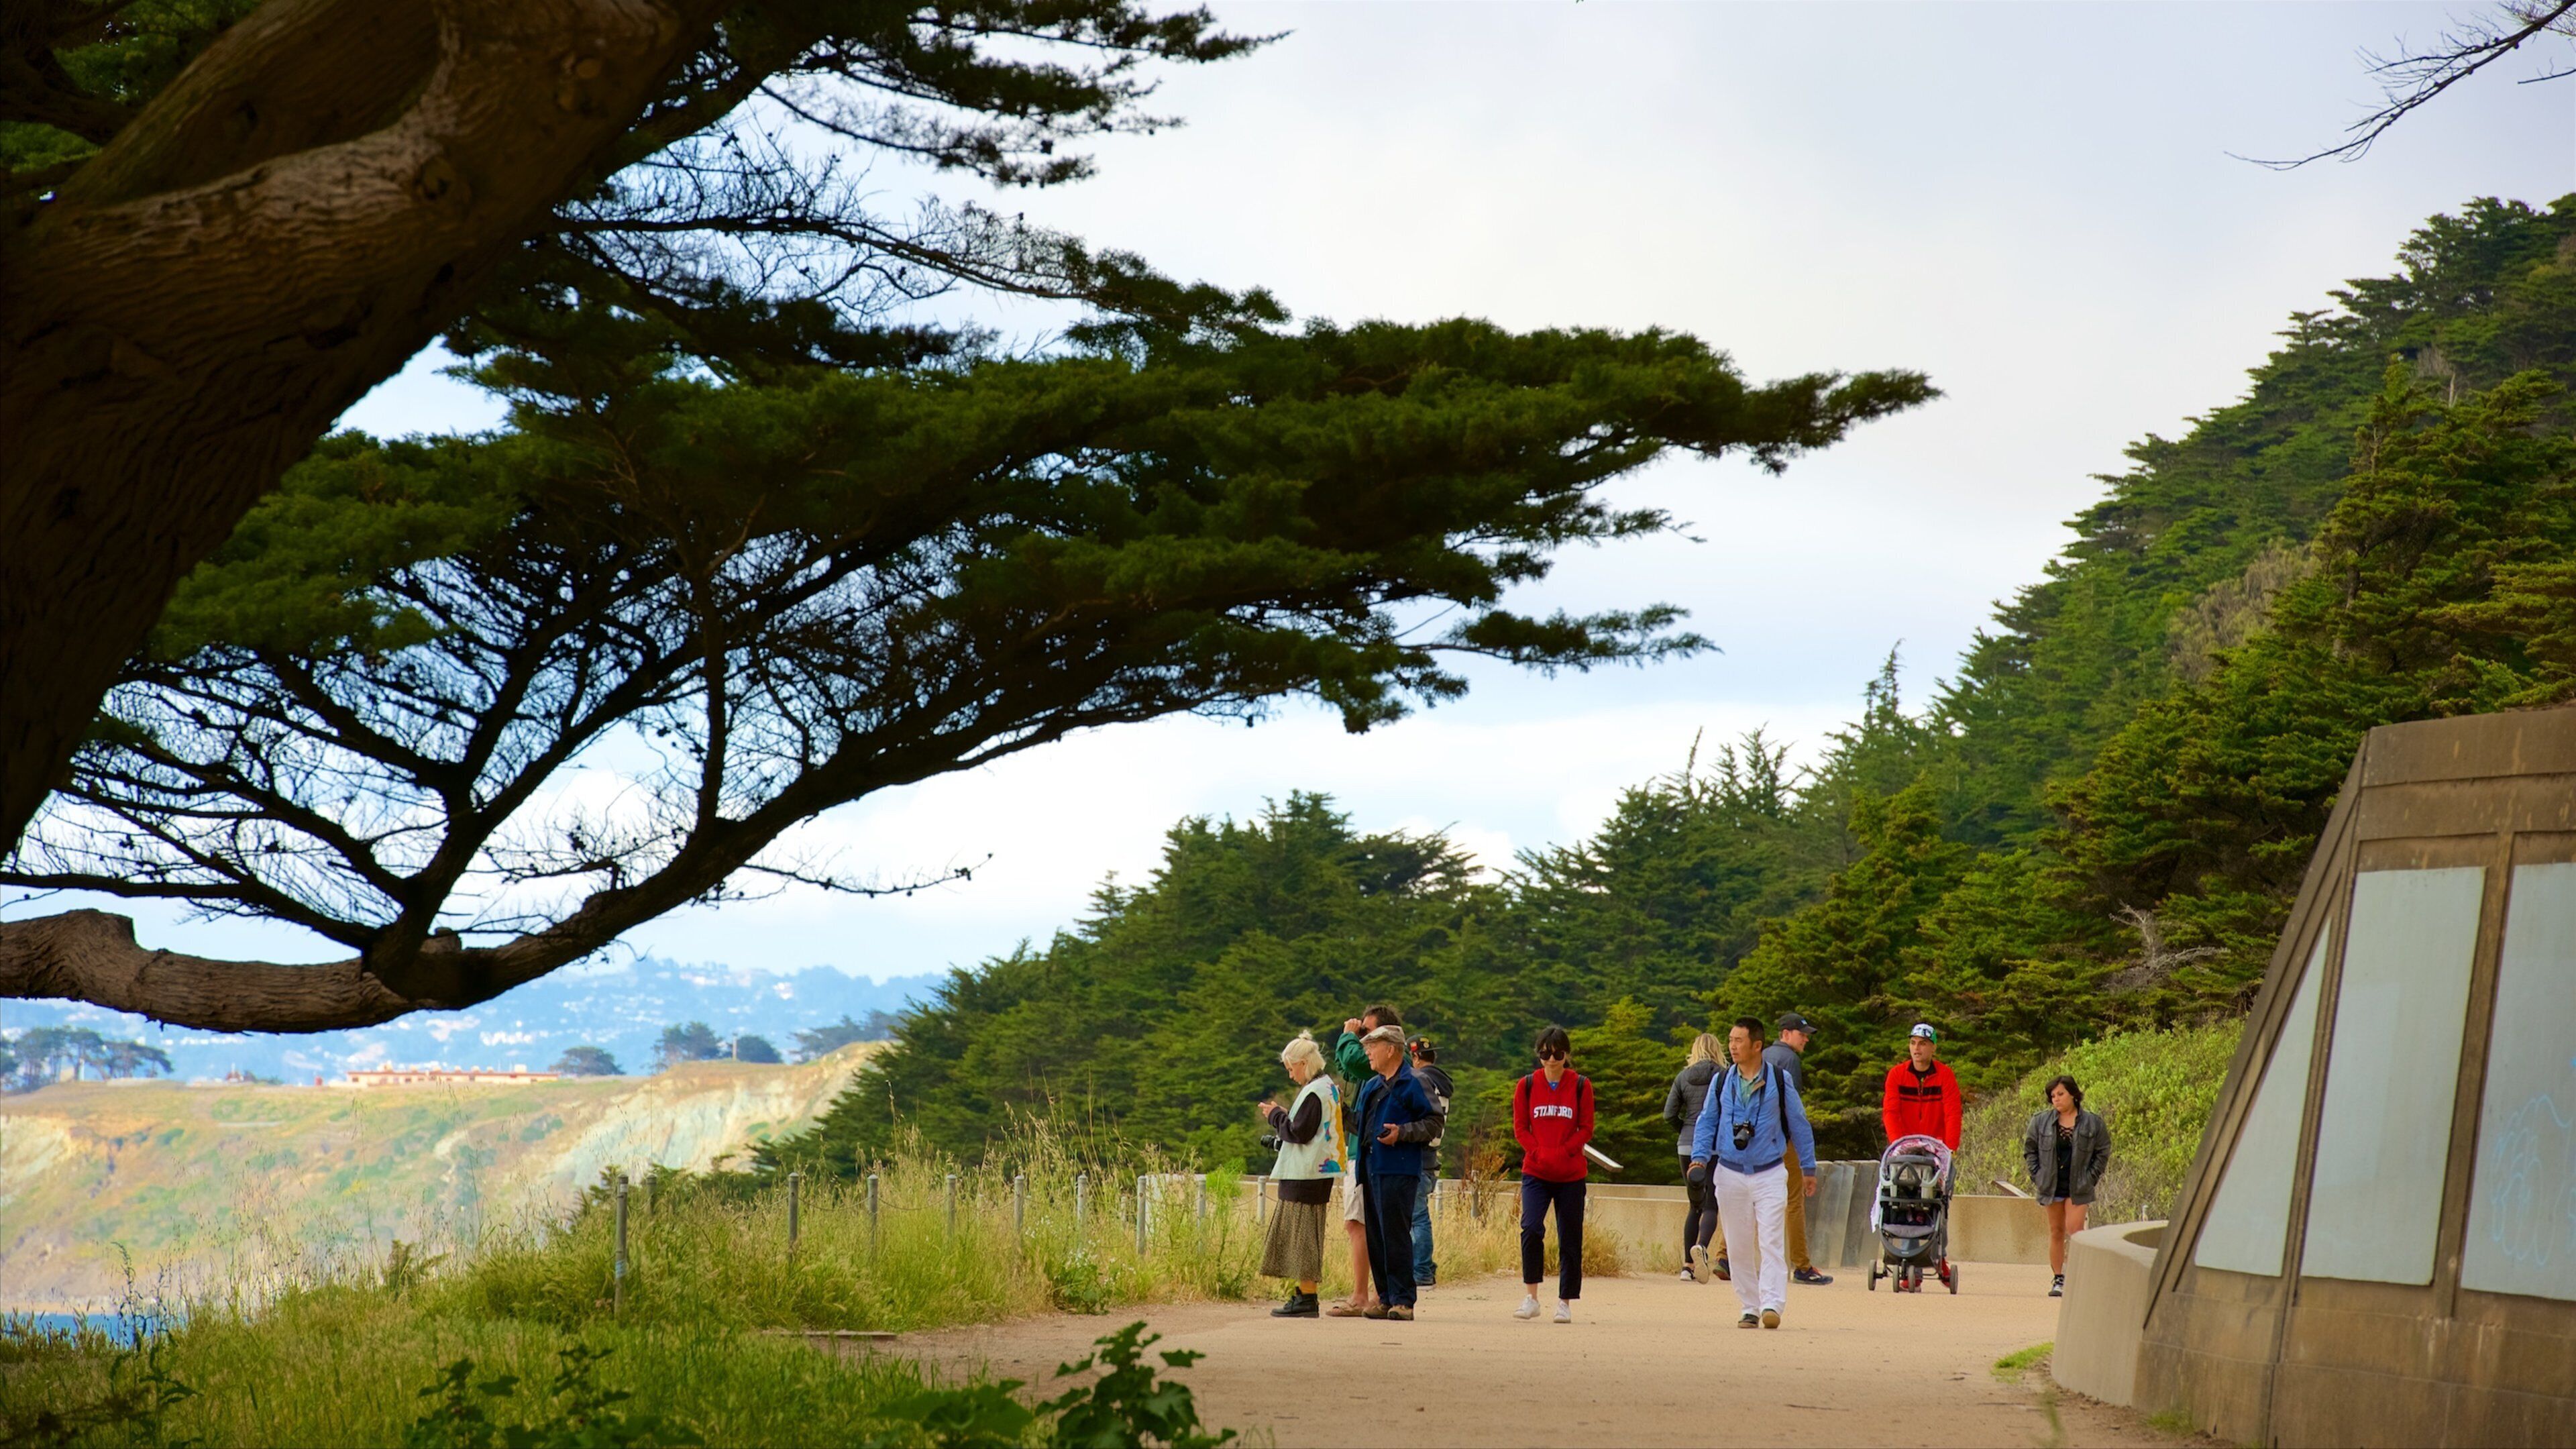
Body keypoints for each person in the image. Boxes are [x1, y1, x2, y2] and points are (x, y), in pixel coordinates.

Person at [1688, 1016, 1819, 1330]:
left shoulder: (1778, 1078)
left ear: (1757, 1045)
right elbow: (1707, 1122)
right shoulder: (1722, 1081)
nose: (1732, 1047)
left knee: (1772, 1240)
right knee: (1737, 1244)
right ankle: (1750, 1305)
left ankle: (1772, 1303)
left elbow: (1799, 1122)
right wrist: (1699, 1159)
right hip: (1730, 1172)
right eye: (1730, 1040)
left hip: (1770, 1171)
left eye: (1739, 1041)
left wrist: (1808, 1166)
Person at [1351, 1022, 1438, 1320]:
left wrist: (1402, 1133)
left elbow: (1433, 1123)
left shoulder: (1414, 1081)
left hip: (1399, 1169)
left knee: (1396, 1235)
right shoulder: (1372, 1085)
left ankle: (1403, 1301)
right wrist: (1340, 1109)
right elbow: (1360, 1126)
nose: (1368, 1052)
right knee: (1376, 1236)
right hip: (1371, 1169)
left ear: (1391, 1049)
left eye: (1372, 1046)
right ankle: (1385, 1297)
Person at [1511, 1024, 1595, 1324]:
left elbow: (1586, 1127)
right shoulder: (1527, 1085)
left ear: (1566, 1055)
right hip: (1536, 1171)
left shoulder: (1581, 1085)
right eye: (1545, 1054)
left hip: (1571, 1174)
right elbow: (1520, 1127)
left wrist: (1564, 1151)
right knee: (1531, 1228)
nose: (1551, 1060)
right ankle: (1531, 1296)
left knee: (1570, 1236)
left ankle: (1565, 1301)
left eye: (1557, 1054)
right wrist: (1537, 1151)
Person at [1256, 1031, 1343, 1317]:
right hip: (1317, 1173)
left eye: (1291, 1069)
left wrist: (1276, 1117)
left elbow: (1299, 1132)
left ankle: (1308, 1297)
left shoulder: (1314, 1092)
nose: (1291, 1076)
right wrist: (1284, 1115)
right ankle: (1304, 1293)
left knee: (1303, 1238)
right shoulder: (1327, 1087)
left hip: (1306, 1175)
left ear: (1304, 1063)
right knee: (1305, 1237)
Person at [1324, 1004, 1401, 1317]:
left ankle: (1361, 1296)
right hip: (1362, 1148)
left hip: (1367, 1152)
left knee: (1357, 1224)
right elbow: (1348, 1068)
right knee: (1363, 1224)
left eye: (1368, 1034)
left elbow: (1353, 1061)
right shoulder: (1380, 1068)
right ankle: (1374, 1294)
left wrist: (1346, 1037)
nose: (1363, 1042)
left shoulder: (1388, 1064)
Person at [2022, 1073, 2111, 1298]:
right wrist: (2038, 1176)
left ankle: (2078, 1276)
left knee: (2076, 1230)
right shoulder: (2041, 1121)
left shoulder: (2092, 1122)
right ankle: (2059, 1278)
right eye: (2053, 1096)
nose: (2056, 1099)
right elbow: (2030, 1150)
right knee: (2056, 1231)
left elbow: (2103, 1151)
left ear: (2073, 1094)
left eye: (2060, 1094)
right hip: (2051, 1184)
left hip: (2079, 1184)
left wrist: (2091, 1177)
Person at [1765, 1012, 1833, 1285]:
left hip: (1757, 1141)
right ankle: (1802, 1266)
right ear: (1786, 1034)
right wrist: (1805, 1158)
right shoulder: (1789, 1060)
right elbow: (1792, 1109)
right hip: (1783, 1139)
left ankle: (1725, 1258)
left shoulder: (1764, 1056)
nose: (1806, 1038)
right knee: (1794, 1200)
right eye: (1801, 1033)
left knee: (1753, 1197)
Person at [1661, 1032, 1723, 1281]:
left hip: (1686, 1147)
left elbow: (1668, 1114)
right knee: (1711, 1204)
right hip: (1714, 1147)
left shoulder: (1682, 1077)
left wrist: (1685, 1131)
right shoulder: (1724, 1076)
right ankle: (1702, 1249)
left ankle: (1687, 1266)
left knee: (1694, 1204)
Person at [1405, 1036, 1454, 1288]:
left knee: (1418, 1216)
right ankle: (1425, 1268)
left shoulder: (1420, 1081)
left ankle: (1422, 1270)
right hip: (1432, 1156)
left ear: (1415, 1058)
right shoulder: (1442, 1083)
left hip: (1419, 1156)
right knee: (1419, 1214)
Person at [1882, 1022, 1963, 1148]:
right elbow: (1890, 1113)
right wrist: (1897, 1143)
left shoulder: (1945, 1075)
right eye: (1913, 1043)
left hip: (1936, 1144)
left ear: (1933, 1047)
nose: (1916, 1048)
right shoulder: (1896, 1075)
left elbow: (1952, 1114)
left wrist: (1951, 1147)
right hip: (1904, 1143)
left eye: (1923, 1044)